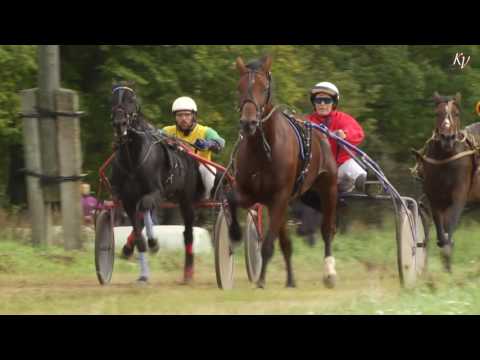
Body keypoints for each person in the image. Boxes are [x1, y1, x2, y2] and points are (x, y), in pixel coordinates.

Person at [306, 82, 368, 193]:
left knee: (353, 167)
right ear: (314, 103)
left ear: (334, 103)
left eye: (327, 100)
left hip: (340, 168)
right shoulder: (307, 121)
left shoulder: (342, 118)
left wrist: (344, 134)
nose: (322, 104)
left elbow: (358, 133)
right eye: (318, 101)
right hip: (317, 171)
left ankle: (367, 186)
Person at [162, 96, 226, 200]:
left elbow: (220, 142)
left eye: (187, 115)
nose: (183, 118)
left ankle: (207, 196)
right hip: (175, 175)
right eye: (179, 115)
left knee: (207, 168)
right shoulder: (167, 131)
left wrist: (208, 144)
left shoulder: (205, 131)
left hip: (199, 177)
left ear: (194, 116)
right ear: (175, 117)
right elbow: (152, 139)